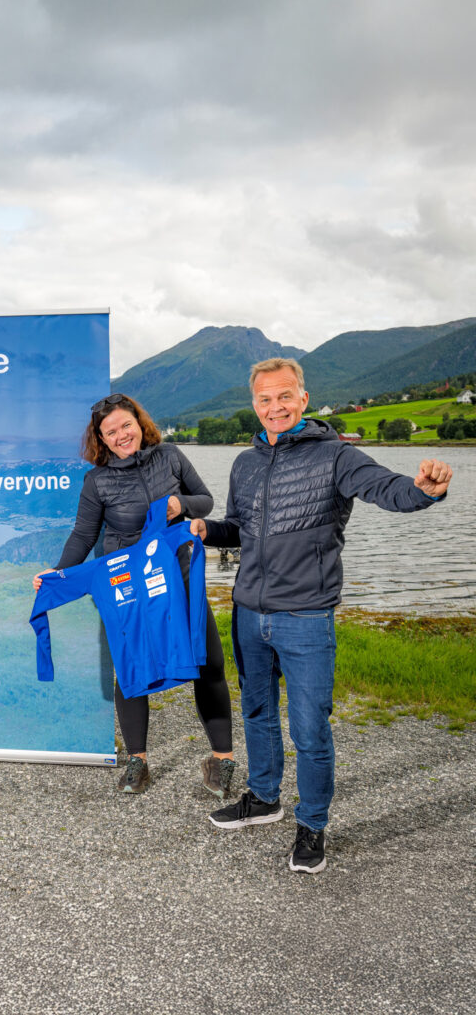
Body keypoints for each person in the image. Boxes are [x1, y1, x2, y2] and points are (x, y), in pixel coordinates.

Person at [190, 358, 452, 874]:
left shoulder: (337, 456)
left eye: (284, 396)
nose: (275, 407)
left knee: (310, 730)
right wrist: (207, 529)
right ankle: (264, 799)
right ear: (255, 405)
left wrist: (426, 488)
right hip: (249, 611)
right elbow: (241, 529)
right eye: (265, 399)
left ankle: (312, 825)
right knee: (258, 715)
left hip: (306, 615)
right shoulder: (245, 463)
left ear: (303, 399)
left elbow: (388, 489)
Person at [33, 393, 236, 798]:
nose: (121, 435)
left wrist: (180, 504)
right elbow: (83, 535)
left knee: (209, 663)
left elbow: (207, 501)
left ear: (139, 424)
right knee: (129, 673)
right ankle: (137, 761)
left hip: (178, 578)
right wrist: (59, 572)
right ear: (101, 440)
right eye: (111, 432)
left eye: (126, 425)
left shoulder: (171, 456)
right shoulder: (97, 480)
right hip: (126, 588)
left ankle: (222, 759)